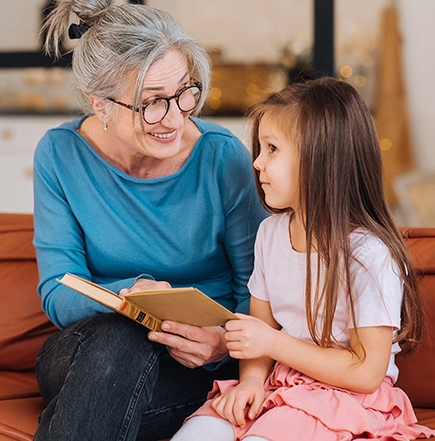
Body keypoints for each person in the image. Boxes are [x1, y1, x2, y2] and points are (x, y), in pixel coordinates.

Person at [32, 1, 267, 440]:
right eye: (152, 104)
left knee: (99, 404)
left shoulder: (222, 157)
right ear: (98, 103)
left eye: (184, 93)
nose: (176, 118)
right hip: (85, 350)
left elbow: (258, 287)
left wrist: (220, 344)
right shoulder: (60, 154)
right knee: (121, 339)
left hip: (191, 367)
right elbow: (57, 289)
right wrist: (128, 299)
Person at [170, 77, 435, 441]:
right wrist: (250, 382)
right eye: (259, 148)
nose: (258, 163)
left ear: (321, 158)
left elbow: (366, 372)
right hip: (281, 385)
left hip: (346, 397)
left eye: (272, 149)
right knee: (195, 433)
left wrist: (273, 344)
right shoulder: (270, 235)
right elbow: (258, 333)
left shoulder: (370, 256)